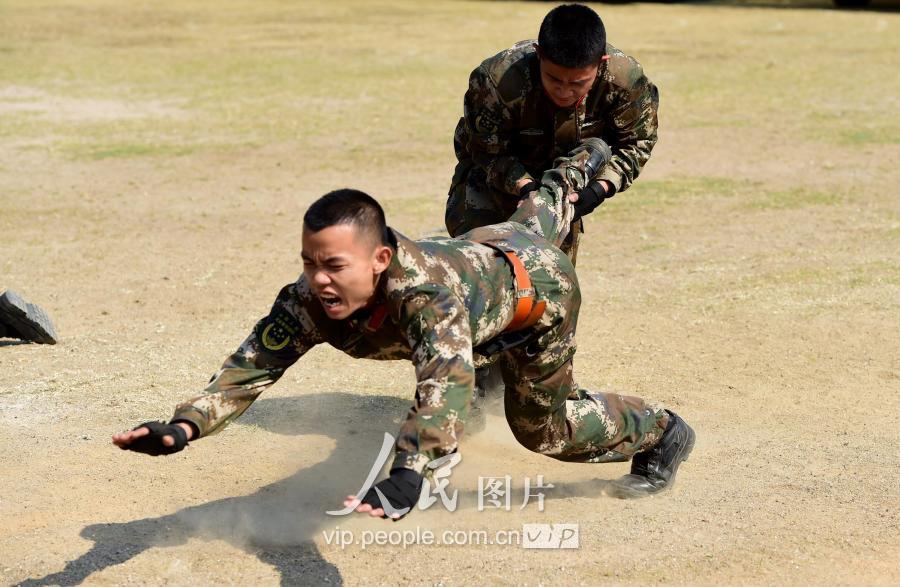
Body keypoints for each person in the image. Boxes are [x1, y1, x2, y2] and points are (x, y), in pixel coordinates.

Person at [113, 144, 693, 518]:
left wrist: (408, 473)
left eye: (334, 266)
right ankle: (567, 173)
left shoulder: (426, 300)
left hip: (533, 294)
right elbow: (249, 370)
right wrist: (185, 426)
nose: (318, 279)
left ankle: (663, 432)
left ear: (380, 259)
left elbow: (441, 386)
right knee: (536, 211)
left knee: (543, 430)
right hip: (487, 247)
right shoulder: (306, 301)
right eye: (310, 261)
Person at [445, 3, 659, 264]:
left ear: (601, 63)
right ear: (538, 55)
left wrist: (600, 189)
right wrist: (526, 188)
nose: (565, 91)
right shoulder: (496, 81)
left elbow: (637, 143)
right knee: (480, 267)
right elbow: (485, 149)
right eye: (554, 79)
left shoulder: (625, 82)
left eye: (578, 83)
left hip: (563, 185)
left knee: (549, 277)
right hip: (492, 179)